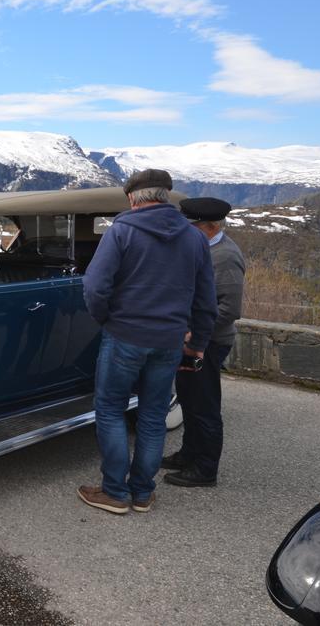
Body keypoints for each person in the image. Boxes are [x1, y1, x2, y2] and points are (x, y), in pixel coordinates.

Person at [77, 169, 217, 515]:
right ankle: (141, 492)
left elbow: (95, 287)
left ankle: (114, 492)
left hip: (124, 335)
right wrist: (197, 344)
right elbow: (205, 302)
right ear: (166, 196)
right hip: (169, 340)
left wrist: (106, 319)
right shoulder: (195, 238)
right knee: (153, 417)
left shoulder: (121, 231)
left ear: (131, 198)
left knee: (110, 410)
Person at [162, 198, 246, 488]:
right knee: (188, 398)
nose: (188, 230)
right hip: (191, 339)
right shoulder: (201, 248)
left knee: (205, 404)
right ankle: (189, 454)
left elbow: (229, 309)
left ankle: (206, 468)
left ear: (210, 227)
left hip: (207, 342)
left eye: (193, 225)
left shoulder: (225, 256)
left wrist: (194, 334)